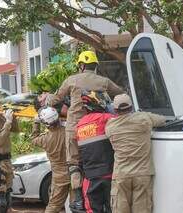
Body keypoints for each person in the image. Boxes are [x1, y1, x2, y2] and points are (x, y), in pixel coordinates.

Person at [46, 50, 124, 210]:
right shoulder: (103, 81)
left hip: (75, 127)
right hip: (97, 128)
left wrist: (48, 98)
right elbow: (121, 93)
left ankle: (79, 199)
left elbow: (55, 99)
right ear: (95, 65)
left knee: (74, 163)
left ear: (81, 65)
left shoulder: (71, 80)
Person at [105, 94, 166, 213]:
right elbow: (162, 120)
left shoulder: (110, 126)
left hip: (121, 175)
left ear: (115, 110)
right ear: (131, 107)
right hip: (143, 174)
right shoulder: (144, 118)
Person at [76, 91, 115, 213]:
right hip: (110, 174)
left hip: (90, 178)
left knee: (92, 209)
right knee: (113, 208)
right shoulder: (107, 118)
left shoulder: (79, 125)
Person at [31, 107, 70, 213]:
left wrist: (36, 122)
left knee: (54, 205)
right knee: (77, 204)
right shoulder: (68, 131)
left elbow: (34, 139)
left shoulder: (45, 139)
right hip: (74, 171)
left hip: (59, 176)